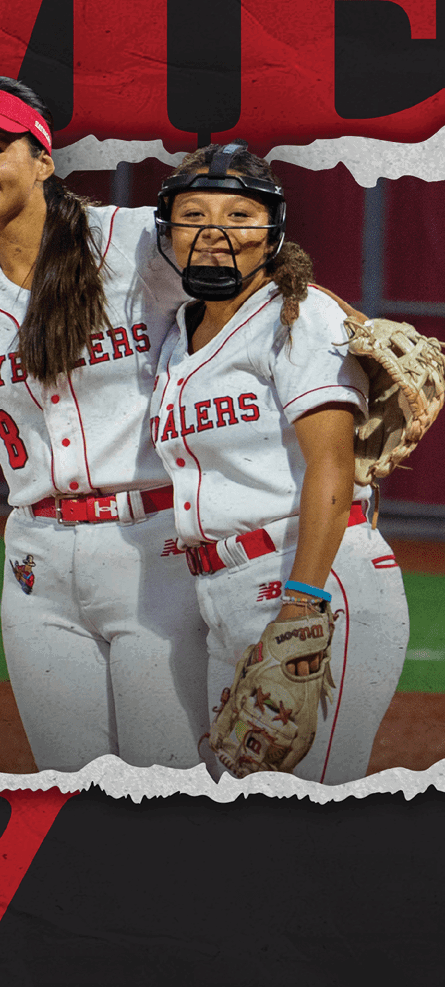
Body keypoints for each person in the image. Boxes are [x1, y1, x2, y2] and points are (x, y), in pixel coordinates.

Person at [0, 76, 207, 770]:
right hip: (36, 559)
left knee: (171, 783)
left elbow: (262, 283)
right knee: (70, 789)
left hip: (153, 546)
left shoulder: (137, 241)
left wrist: (348, 333)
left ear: (43, 159)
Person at [149, 142, 410, 783]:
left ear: (273, 230)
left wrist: (300, 607)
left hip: (313, 581)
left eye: (239, 216)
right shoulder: (177, 332)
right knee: (233, 797)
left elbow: (331, 466)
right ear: (168, 231)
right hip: (222, 589)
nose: (214, 234)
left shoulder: (300, 316)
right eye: (193, 215)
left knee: (308, 807)